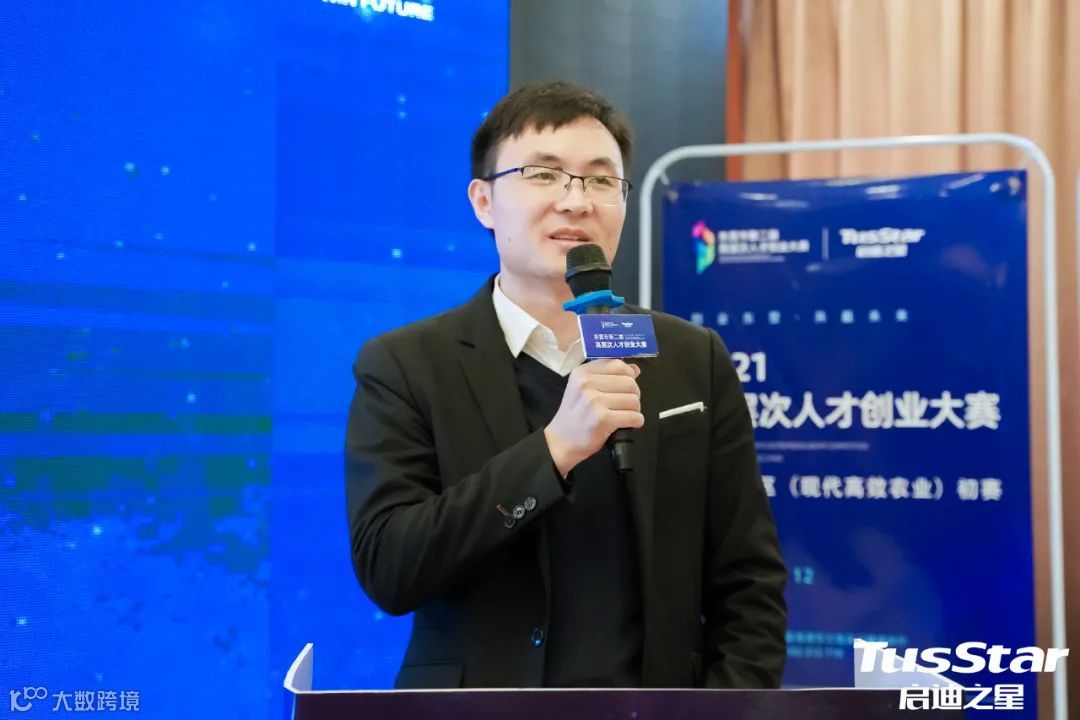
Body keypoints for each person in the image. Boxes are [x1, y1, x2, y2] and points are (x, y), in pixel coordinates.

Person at [345, 80, 787, 690]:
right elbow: (390, 568)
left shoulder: (692, 358)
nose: (576, 201)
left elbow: (749, 582)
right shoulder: (406, 364)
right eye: (544, 174)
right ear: (484, 201)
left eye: (602, 179)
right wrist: (554, 451)